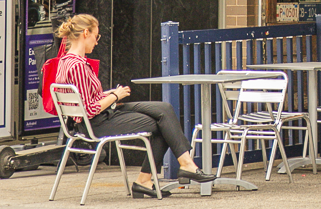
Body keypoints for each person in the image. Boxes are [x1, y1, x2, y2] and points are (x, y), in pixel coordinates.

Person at [53, 14, 216, 198]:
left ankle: (173, 169)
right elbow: (90, 109)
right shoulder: (78, 66)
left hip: (98, 117)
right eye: (96, 37)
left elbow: (84, 99)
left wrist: (109, 94)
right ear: (85, 33)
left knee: (164, 109)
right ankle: (162, 173)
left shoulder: (65, 62)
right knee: (162, 125)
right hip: (97, 122)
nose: (97, 42)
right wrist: (115, 95)